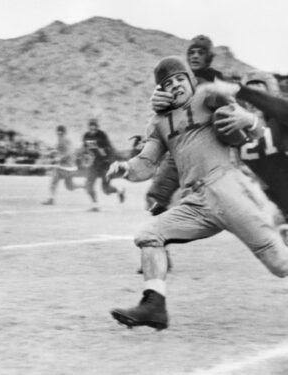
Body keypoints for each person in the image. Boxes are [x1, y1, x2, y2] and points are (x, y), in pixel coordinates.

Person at [106, 56, 288, 330]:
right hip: (196, 200)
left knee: (280, 264)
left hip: (228, 190)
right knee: (148, 235)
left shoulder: (207, 98)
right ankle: (154, 305)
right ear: (161, 90)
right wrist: (124, 169)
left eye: (180, 79)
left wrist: (246, 119)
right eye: (168, 83)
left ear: (191, 80)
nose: (176, 85)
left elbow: (251, 129)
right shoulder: (159, 122)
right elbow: (146, 165)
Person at [147, 35, 223, 216]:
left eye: (201, 52)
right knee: (157, 195)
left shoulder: (217, 80)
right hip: (182, 142)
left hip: (210, 145)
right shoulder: (179, 80)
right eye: (192, 52)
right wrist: (157, 102)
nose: (195, 56)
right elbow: (163, 110)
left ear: (209, 57)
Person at [214, 71, 288, 223]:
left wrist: (252, 120)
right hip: (268, 204)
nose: (253, 102)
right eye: (249, 96)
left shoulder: (280, 119)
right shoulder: (237, 126)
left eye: (259, 94)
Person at [82, 118, 125, 212]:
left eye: (94, 128)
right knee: (88, 185)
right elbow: (85, 150)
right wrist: (85, 159)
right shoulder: (86, 136)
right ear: (88, 128)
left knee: (105, 189)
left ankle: (119, 190)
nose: (92, 130)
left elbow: (111, 149)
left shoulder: (102, 135)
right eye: (91, 128)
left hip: (104, 164)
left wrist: (109, 160)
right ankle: (95, 205)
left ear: (97, 128)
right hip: (93, 164)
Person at [42, 125, 84, 205]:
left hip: (66, 167)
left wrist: (60, 158)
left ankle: (51, 199)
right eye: (58, 133)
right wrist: (51, 153)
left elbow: (69, 152)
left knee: (54, 180)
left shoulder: (65, 140)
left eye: (61, 133)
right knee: (70, 186)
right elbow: (59, 150)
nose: (59, 134)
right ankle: (84, 186)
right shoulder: (61, 140)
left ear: (64, 133)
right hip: (70, 168)